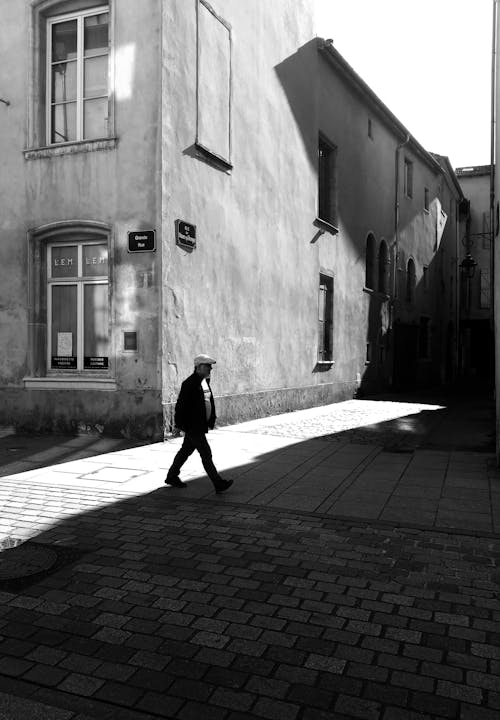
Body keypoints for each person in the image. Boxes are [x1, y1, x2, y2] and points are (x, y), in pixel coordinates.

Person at [165, 354, 233, 493]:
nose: (211, 369)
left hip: (199, 426)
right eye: (208, 366)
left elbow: (208, 401)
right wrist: (178, 425)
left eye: (211, 366)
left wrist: (211, 418)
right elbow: (181, 406)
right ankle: (218, 483)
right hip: (193, 426)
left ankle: (172, 476)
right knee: (206, 454)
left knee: (185, 451)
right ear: (199, 367)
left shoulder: (203, 382)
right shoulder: (189, 383)